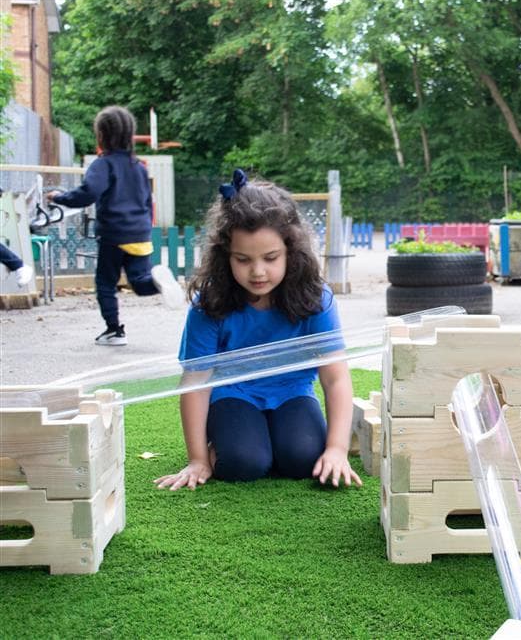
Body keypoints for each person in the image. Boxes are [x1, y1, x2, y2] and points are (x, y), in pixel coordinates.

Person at [154, 169, 361, 492]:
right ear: (226, 257)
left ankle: (278, 439)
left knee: (304, 459)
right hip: (233, 394)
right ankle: (222, 443)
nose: (258, 271)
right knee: (244, 463)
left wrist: (337, 449)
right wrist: (198, 459)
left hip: (292, 392)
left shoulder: (315, 299)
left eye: (270, 257)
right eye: (243, 259)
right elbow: (195, 382)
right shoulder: (210, 303)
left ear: (291, 252)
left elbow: (335, 376)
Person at [47, 105, 184, 346]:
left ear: (101, 135)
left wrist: (59, 197)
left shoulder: (103, 164)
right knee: (140, 283)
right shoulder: (138, 166)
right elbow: (145, 201)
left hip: (114, 234)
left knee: (105, 283)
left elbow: (88, 193)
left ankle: (113, 330)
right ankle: (158, 280)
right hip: (140, 233)